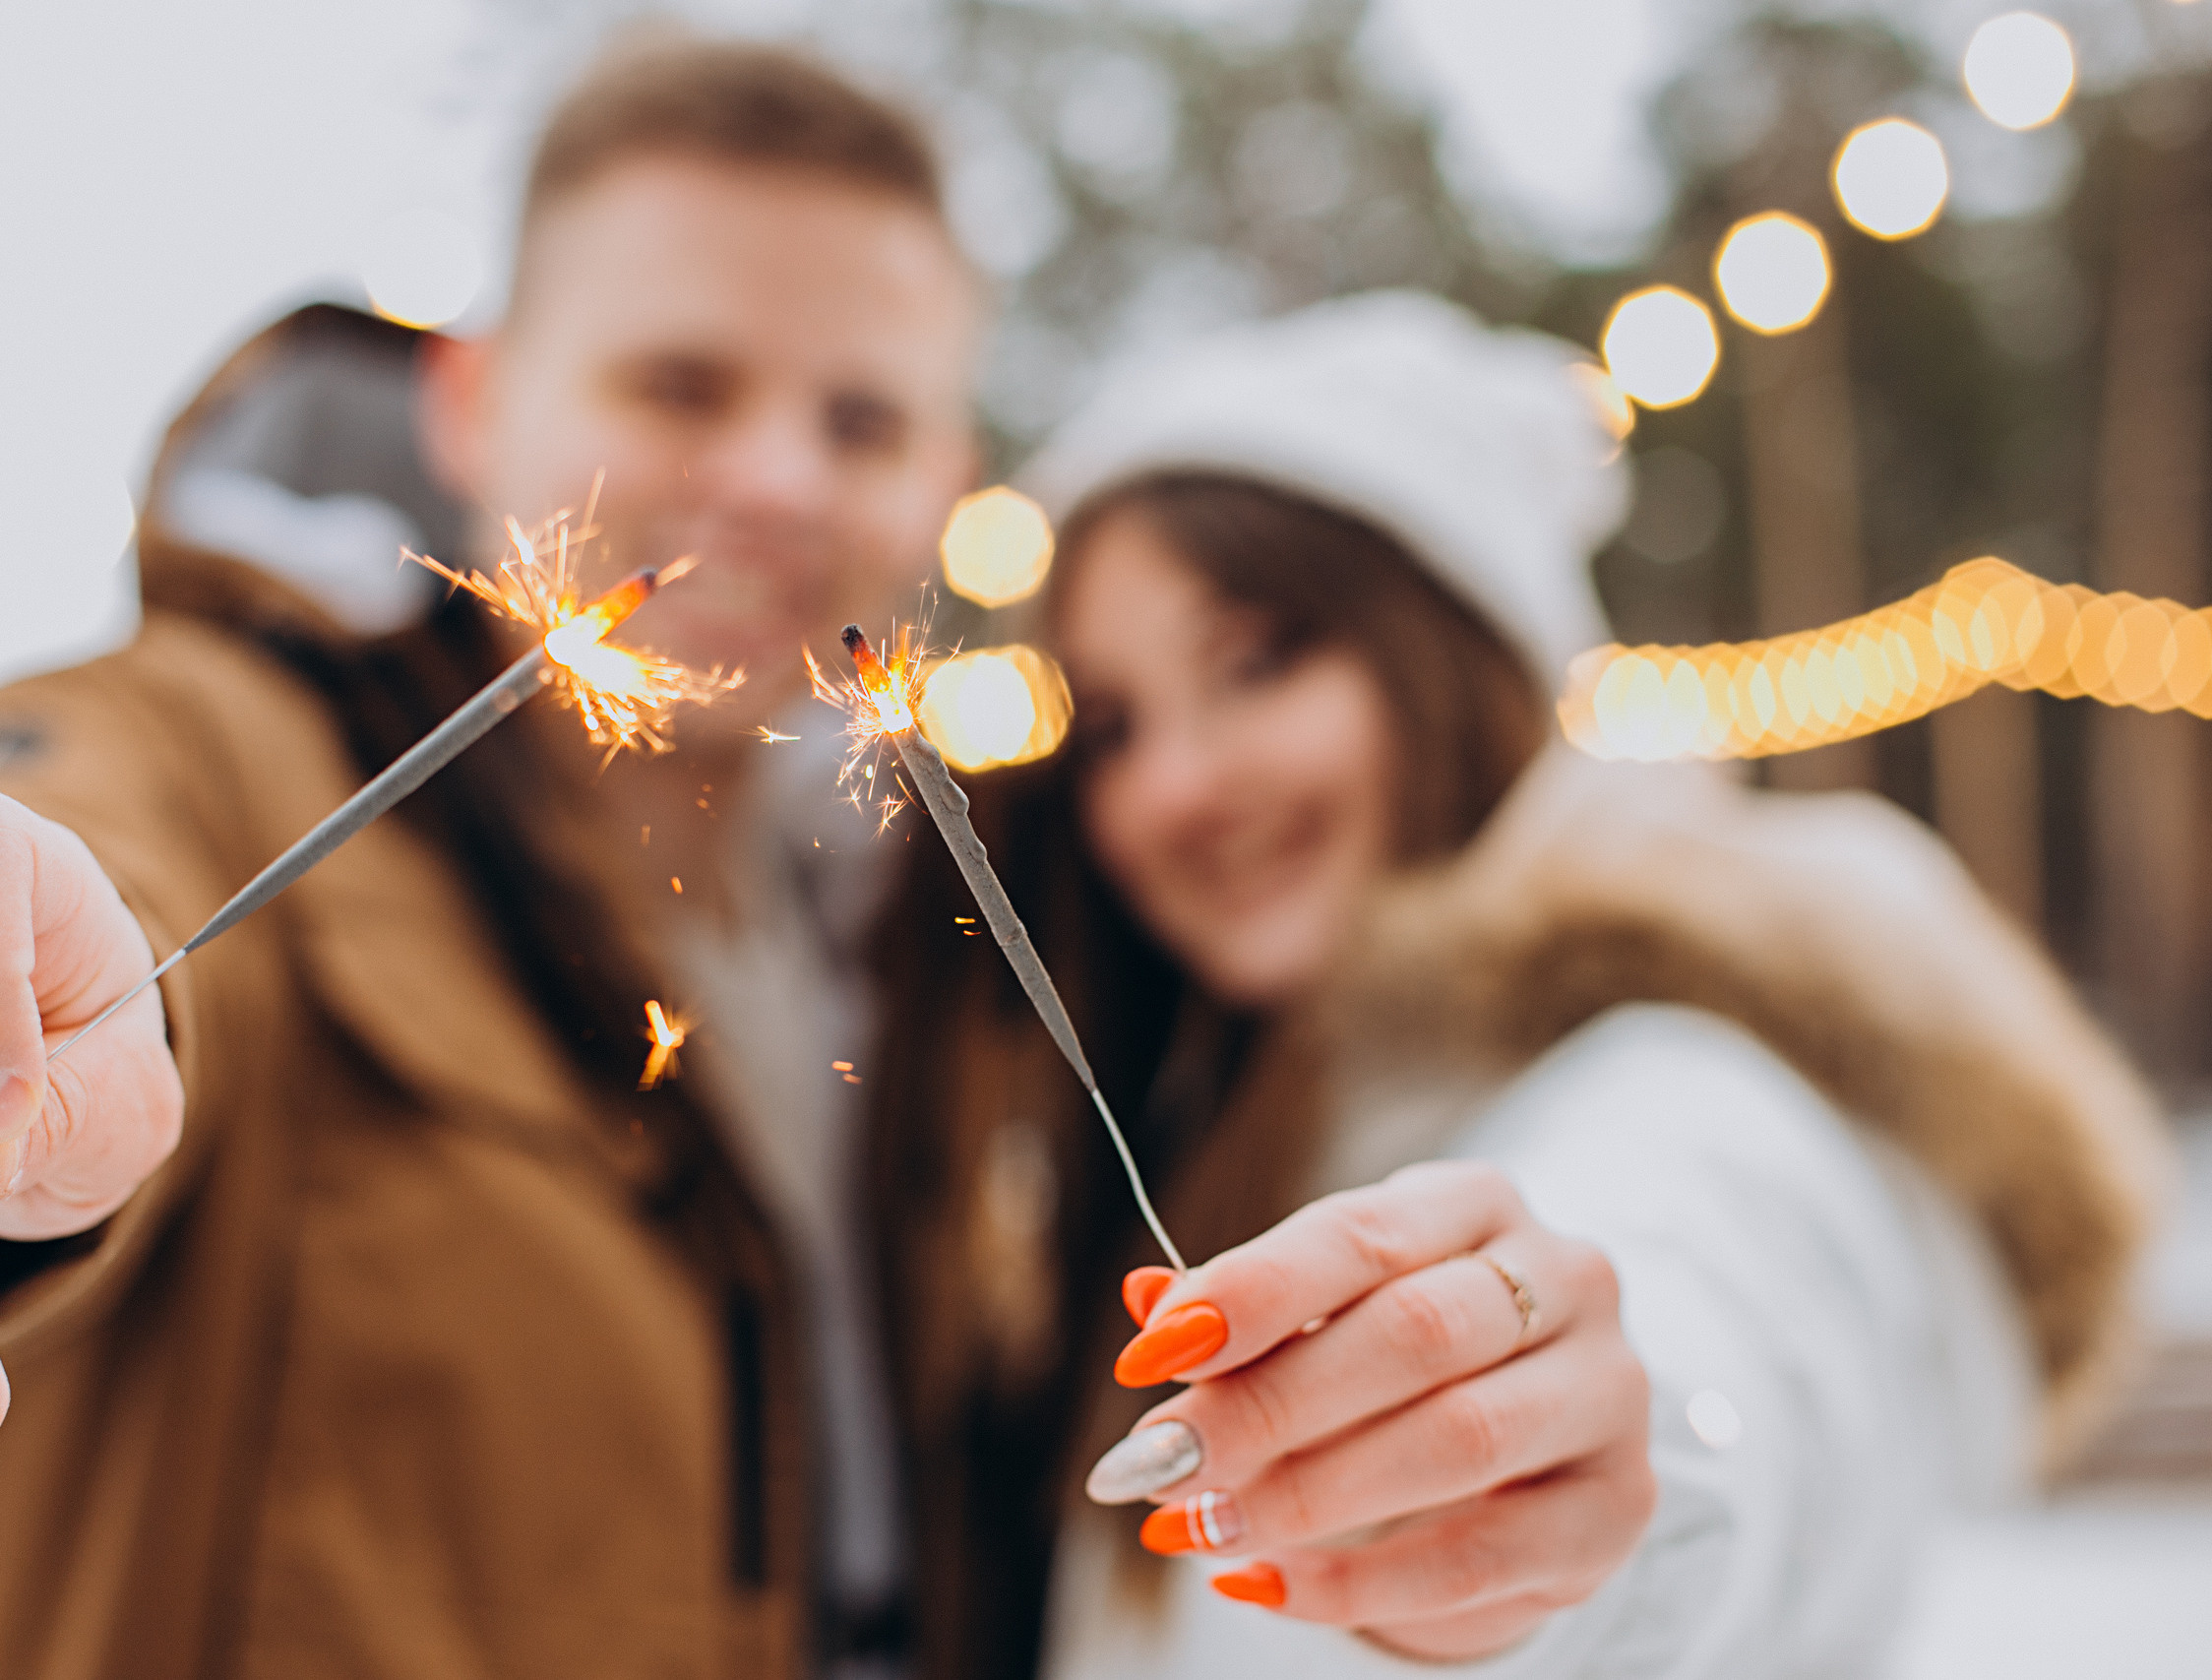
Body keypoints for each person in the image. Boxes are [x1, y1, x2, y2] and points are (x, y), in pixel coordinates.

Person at [0, 38, 979, 1678]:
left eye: (862, 420)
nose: (781, 481)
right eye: (680, 385)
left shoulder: (931, 931)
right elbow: (79, 827)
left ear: (944, 478)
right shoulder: (226, 745)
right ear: (475, 401)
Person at [867, 292, 2166, 1676]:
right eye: (1117, 723)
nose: (1173, 787)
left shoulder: (1693, 1058)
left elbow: (1716, 1314)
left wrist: (1600, 1477)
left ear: (1452, 651)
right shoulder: (1219, 1120)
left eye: (1256, 661)